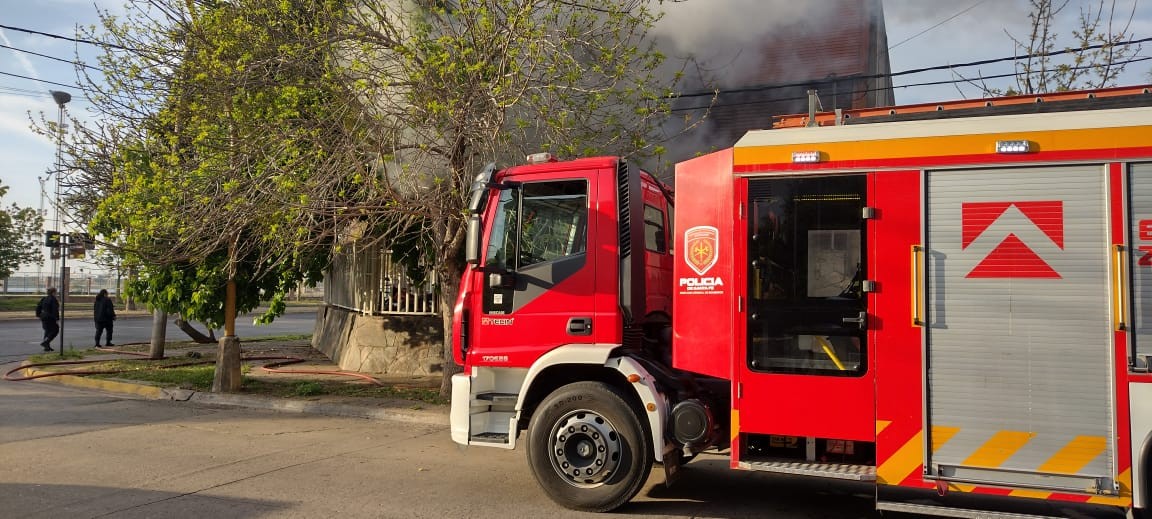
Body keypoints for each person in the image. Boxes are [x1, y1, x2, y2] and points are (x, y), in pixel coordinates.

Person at [37, 287, 60, 352]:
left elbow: (38, 306)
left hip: (43, 316)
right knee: (55, 330)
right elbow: (55, 310)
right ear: (53, 292)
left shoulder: (44, 298)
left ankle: (47, 347)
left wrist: (39, 315)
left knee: (47, 331)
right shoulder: (53, 299)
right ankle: (45, 342)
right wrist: (56, 319)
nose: (56, 293)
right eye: (56, 292)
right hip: (50, 317)